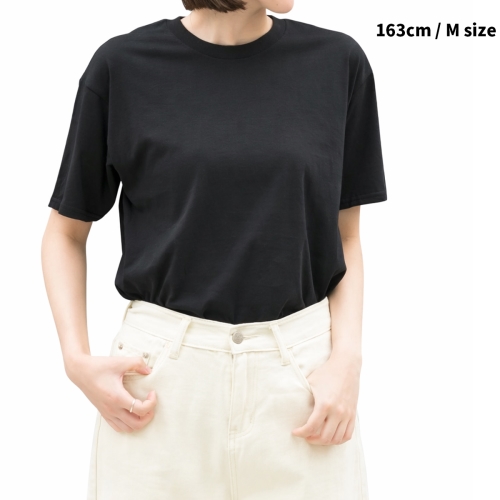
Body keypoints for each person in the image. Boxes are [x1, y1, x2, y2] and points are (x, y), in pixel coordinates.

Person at [41, 1, 387, 498]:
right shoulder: (122, 66)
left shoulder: (337, 63)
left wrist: (347, 359)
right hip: (160, 387)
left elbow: (346, 234)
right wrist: (75, 359)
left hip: (303, 384)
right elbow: (66, 232)